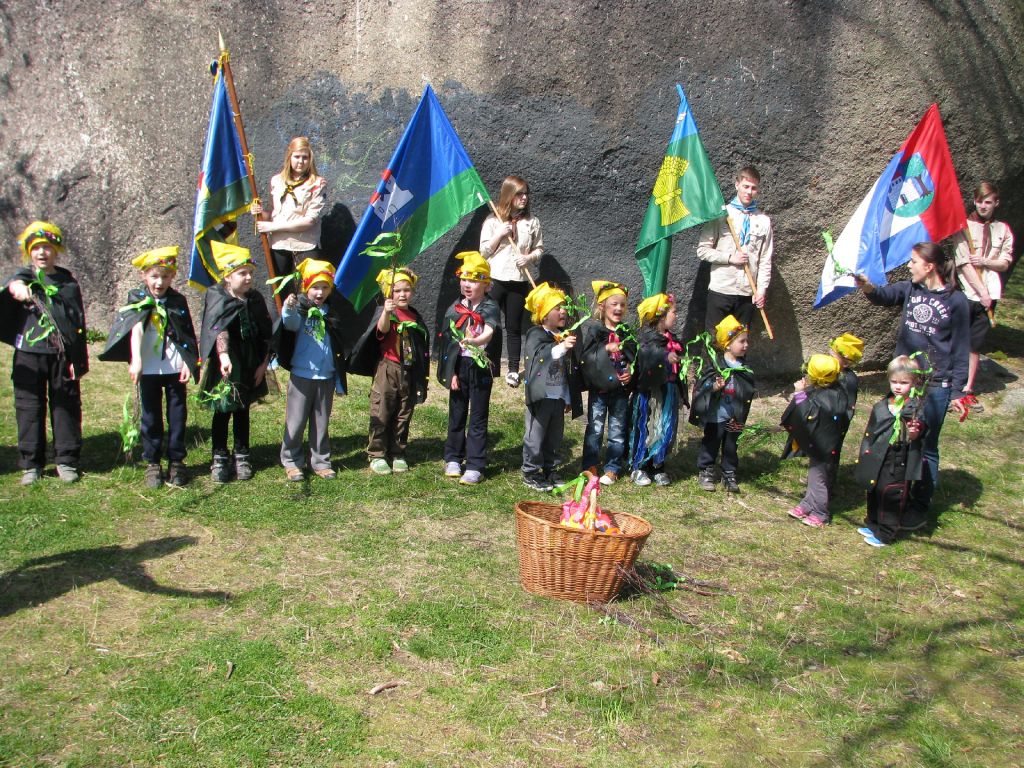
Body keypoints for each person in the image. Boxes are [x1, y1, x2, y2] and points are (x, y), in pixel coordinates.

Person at [854, 242, 970, 527]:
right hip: (904, 381)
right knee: (898, 438)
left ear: (929, 266)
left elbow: (961, 347)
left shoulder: (957, 301)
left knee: (925, 444)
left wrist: (957, 390)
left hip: (936, 384)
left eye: (914, 261)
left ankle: (919, 505)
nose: (909, 265)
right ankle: (895, 495)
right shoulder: (910, 289)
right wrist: (866, 286)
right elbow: (883, 296)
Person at [99, 246, 198, 488]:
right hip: (149, 367)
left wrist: (189, 362)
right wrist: (136, 360)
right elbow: (136, 329)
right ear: (144, 275)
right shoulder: (138, 299)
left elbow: (186, 332)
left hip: (174, 366)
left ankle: (176, 460)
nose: (159, 282)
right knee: (150, 415)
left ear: (172, 276)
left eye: (165, 276)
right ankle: (153, 462)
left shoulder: (177, 300)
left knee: (177, 414)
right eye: (154, 276)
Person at [0, 221, 88, 485]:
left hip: (61, 355)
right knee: (28, 406)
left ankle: (66, 459)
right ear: (29, 251)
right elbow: (12, 285)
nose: (42, 252)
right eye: (36, 247)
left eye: (47, 247)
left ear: (56, 250)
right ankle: (31, 463)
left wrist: (77, 360)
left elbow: (77, 323)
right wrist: (16, 287)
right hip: (29, 354)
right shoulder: (22, 278)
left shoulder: (68, 283)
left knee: (66, 405)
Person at [197, 241, 273, 483]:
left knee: (242, 409)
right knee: (222, 410)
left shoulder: (255, 298)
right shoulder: (217, 296)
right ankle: (219, 456)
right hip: (228, 363)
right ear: (228, 276)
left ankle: (242, 454)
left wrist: (263, 364)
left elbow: (266, 334)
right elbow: (218, 327)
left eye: (250, 272)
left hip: (250, 362)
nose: (249, 277)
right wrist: (223, 355)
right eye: (242, 273)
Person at [276, 258, 357, 482]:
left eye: (325, 287)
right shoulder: (300, 309)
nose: (320, 292)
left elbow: (337, 345)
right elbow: (291, 324)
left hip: (326, 376)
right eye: (315, 287)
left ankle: (321, 461)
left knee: (321, 423)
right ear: (306, 287)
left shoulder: (332, 313)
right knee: (296, 421)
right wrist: (288, 308)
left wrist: (338, 377)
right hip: (302, 375)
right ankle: (292, 461)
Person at [348, 266, 430, 475]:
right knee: (382, 411)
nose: (402, 294)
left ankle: (398, 451)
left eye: (406, 290)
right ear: (388, 293)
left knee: (404, 412)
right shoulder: (387, 314)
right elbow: (382, 330)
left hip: (408, 370)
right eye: (397, 290)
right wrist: (386, 311)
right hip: (388, 369)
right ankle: (377, 453)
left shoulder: (414, 317)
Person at [437, 252, 500, 485]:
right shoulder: (455, 308)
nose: (466, 284)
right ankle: (453, 457)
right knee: (457, 412)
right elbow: (447, 343)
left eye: (472, 280)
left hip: (480, 366)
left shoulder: (490, 306)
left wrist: (475, 341)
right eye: (464, 279)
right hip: (459, 366)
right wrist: (451, 372)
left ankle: (475, 465)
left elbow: (489, 331)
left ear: (486, 284)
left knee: (478, 417)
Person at [951, 182, 1015, 408]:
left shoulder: (1003, 229)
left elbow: (1004, 263)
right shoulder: (963, 226)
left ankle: (967, 388)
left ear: (996, 203)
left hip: (990, 292)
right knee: (955, 338)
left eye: (988, 202)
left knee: (975, 343)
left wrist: (986, 261)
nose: (983, 206)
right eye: (979, 201)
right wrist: (982, 292)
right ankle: (950, 385)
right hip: (966, 292)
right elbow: (964, 263)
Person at [854, 355, 929, 547]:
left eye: (904, 383)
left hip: (898, 458)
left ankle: (886, 533)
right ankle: (873, 523)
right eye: (894, 382)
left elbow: (917, 433)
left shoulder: (914, 407)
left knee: (891, 493)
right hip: (879, 453)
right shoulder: (885, 403)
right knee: (875, 489)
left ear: (914, 382)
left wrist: (914, 432)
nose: (898, 387)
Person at [479, 175, 544, 388]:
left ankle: (514, 370)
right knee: (488, 321)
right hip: (495, 279)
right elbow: (483, 252)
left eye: (526, 193)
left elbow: (539, 249)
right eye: (519, 194)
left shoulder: (532, 222)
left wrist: (529, 258)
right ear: (509, 195)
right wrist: (499, 234)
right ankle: (485, 363)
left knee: (514, 326)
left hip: (518, 279)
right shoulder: (493, 220)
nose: (524, 198)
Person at [521, 282, 583, 492]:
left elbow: (567, 370)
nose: (563, 311)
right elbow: (542, 355)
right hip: (541, 396)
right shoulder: (535, 334)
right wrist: (562, 346)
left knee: (554, 436)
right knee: (535, 435)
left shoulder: (564, 335)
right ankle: (531, 472)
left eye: (564, 307)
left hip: (558, 395)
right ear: (544, 314)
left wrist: (568, 397)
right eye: (557, 308)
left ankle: (551, 469)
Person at [697, 165, 773, 331]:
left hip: (747, 293)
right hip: (722, 290)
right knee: (714, 340)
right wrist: (730, 258)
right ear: (737, 184)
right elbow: (702, 250)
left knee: (741, 342)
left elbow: (765, 260)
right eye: (746, 186)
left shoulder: (763, 221)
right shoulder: (722, 215)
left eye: (753, 188)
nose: (749, 192)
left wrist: (761, 291)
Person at [781, 354, 850, 527]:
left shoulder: (821, 398)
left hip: (822, 447)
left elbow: (806, 414)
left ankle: (820, 513)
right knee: (814, 475)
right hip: (825, 443)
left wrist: (799, 393)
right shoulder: (837, 390)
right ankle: (807, 504)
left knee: (818, 479)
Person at [254, 137, 327, 300]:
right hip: (279, 244)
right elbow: (274, 214)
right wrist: (259, 213)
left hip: (305, 245)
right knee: (279, 294)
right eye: (297, 156)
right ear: (289, 157)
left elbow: (310, 221)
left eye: (305, 157)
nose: (301, 161)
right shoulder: (277, 181)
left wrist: (273, 227)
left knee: (307, 294)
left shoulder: (318, 183)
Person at [579, 280, 636, 486]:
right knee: (594, 428)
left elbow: (634, 357)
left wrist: (630, 372)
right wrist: (605, 349)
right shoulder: (595, 331)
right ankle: (590, 465)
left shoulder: (626, 332)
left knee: (617, 429)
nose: (619, 308)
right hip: (599, 390)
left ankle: (613, 467)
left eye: (622, 305)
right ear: (602, 306)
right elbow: (586, 358)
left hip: (620, 391)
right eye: (614, 304)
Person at [690, 315, 756, 493]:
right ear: (727, 344)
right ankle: (706, 470)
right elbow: (702, 387)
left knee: (731, 444)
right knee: (711, 442)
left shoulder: (744, 367)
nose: (746, 345)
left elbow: (747, 389)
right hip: (716, 416)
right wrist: (714, 387)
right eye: (741, 341)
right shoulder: (716, 365)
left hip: (735, 416)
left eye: (747, 341)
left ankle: (729, 472)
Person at [628, 293, 687, 487]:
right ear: (661, 316)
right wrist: (664, 356)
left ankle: (658, 465)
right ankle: (639, 465)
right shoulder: (647, 339)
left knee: (665, 428)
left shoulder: (672, 340)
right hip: (650, 394)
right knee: (646, 427)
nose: (676, 316)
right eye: (673, 312)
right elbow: (646, 356)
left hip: (668, 392)